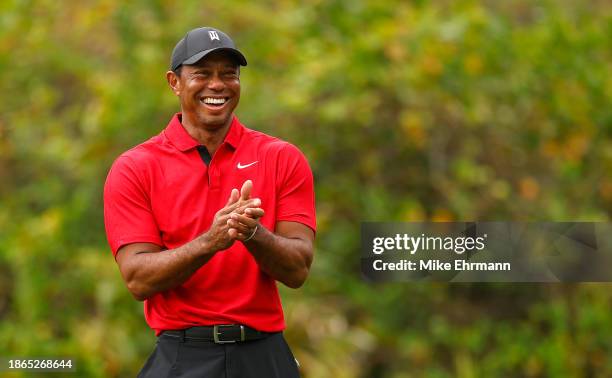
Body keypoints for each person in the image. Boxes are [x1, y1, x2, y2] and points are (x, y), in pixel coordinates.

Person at [103, 26, 316, 378]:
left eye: (228, 74)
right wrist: (211, 241)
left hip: (265, 354)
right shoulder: (136, 167)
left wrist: (252, 234)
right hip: (182, 355)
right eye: (202, 73)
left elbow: (298, 271)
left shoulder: (282, 158)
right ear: (174, 82)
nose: (217, 85)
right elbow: (138, 279)